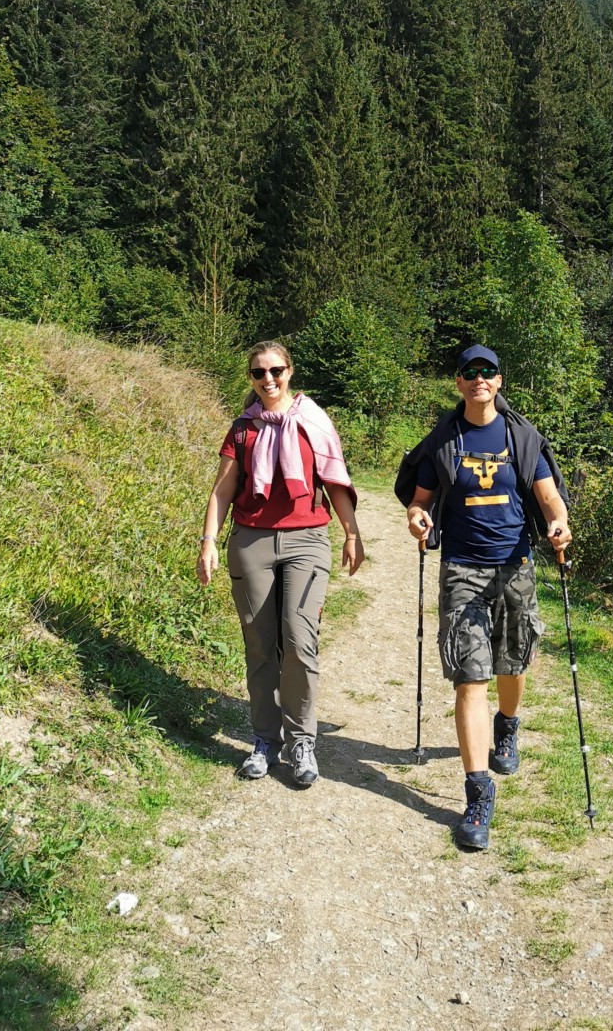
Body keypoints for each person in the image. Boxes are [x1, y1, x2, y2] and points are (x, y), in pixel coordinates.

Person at [394, 345, 571, 851]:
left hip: (515, 567)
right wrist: (416, 518)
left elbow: (549, 497)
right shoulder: (444, 440)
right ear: (459, 382)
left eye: (487, 372)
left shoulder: (522, 437)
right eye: (469, 372)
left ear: (498, 380)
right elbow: (420, 500)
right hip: (462, 570)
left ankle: (507, 725)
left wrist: (559, 522)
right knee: (470, 677)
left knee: (512, 664)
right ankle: (477, 794)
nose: (479, 379)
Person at [197, 340, 364, 786]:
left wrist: (351, 533)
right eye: (259, 373)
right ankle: (265, 740)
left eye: (275, 370)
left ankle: (301, 741)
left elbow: (334, 481)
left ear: (290, 371)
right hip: (250, 541)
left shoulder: (313, 421)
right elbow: (222, 490)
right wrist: (208, 541)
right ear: (251, 378)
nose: (268, 379)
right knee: (259, 645)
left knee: (299, 640)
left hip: (306, 541)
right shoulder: (242, 430)